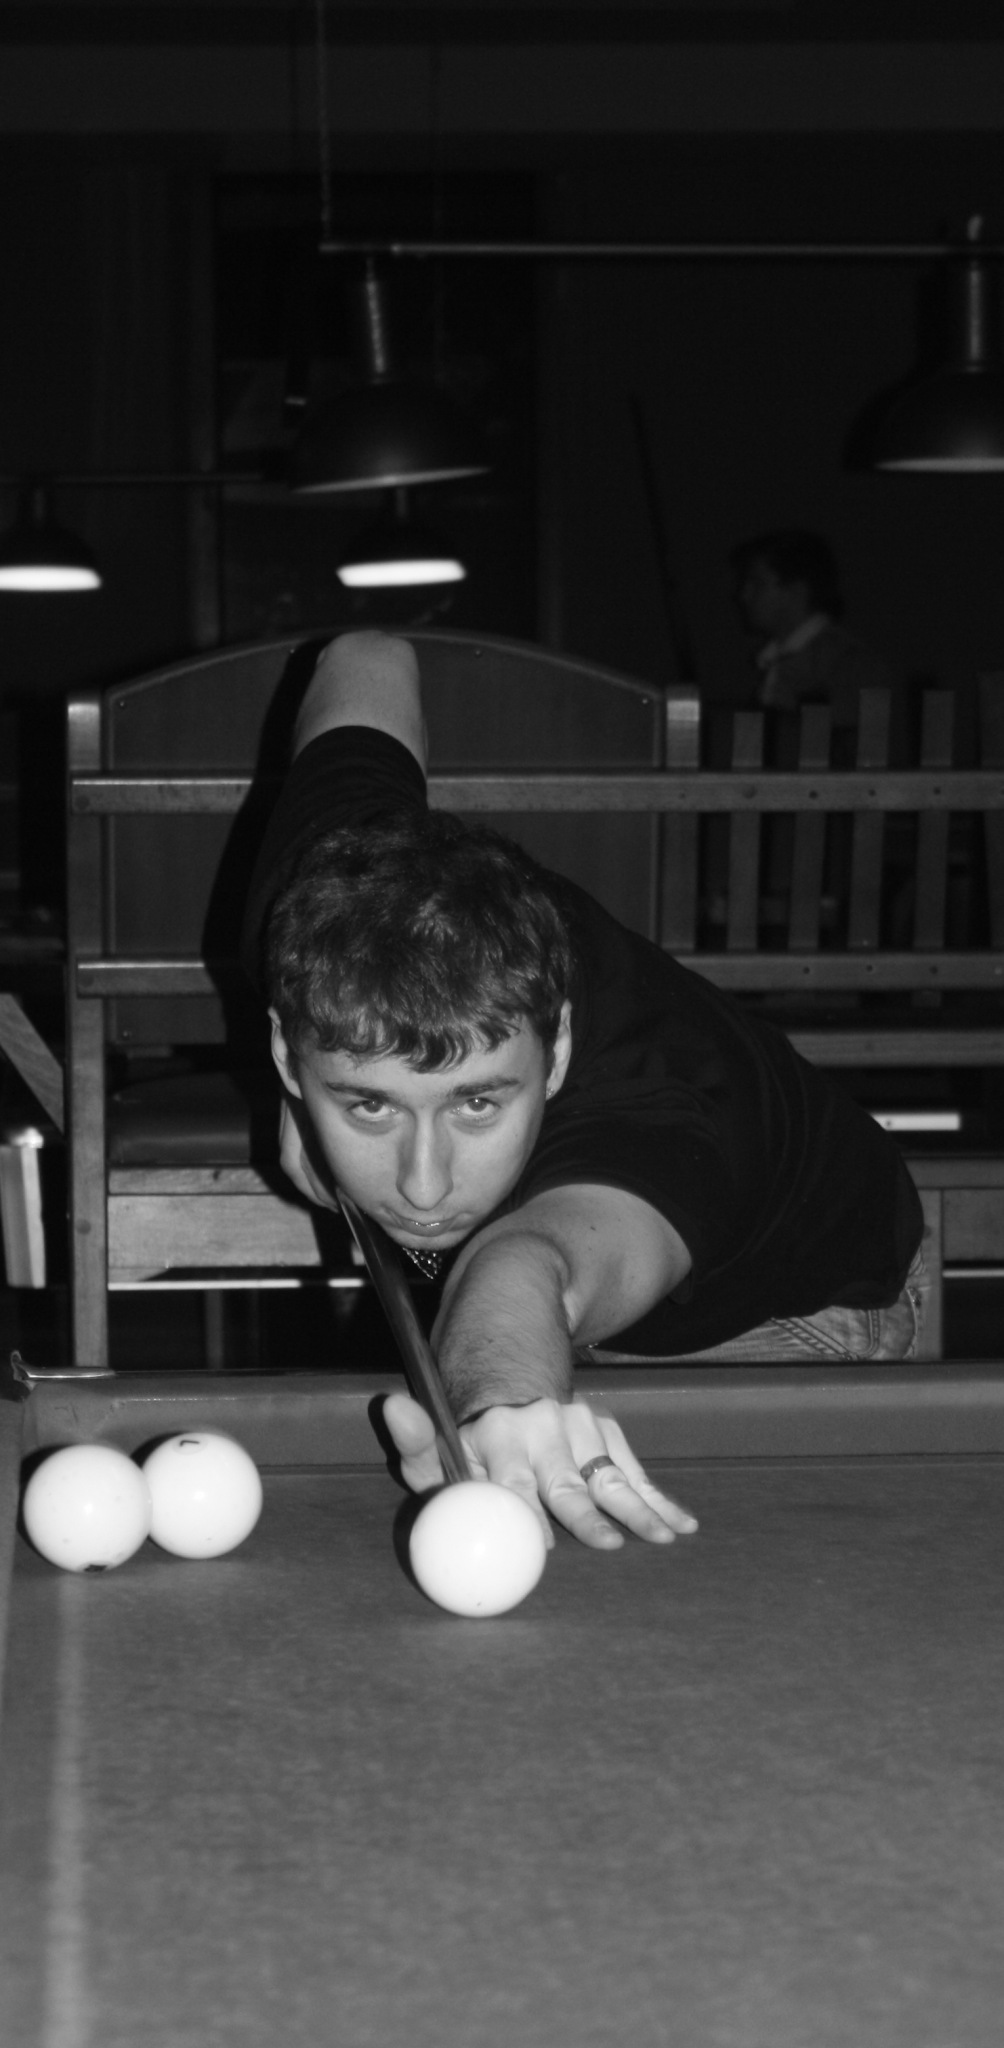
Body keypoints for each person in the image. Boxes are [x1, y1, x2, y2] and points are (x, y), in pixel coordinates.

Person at [242, 631, 925, 1556]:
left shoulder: (657, 1112)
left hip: (797, 1300)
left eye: (478, 1104)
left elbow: (529, 1269)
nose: (423, 1184)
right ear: (288, 1052)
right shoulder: (329, 891)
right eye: (371, 1105)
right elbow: (368, 656)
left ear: (556, 1047)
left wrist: (501, 1396)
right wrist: (298, 1100)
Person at [731, 529, 892, 750]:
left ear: (796, 591)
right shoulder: (780, 660)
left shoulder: (850, 664)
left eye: (757, 583)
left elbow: (851, 753)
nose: (744, 595)